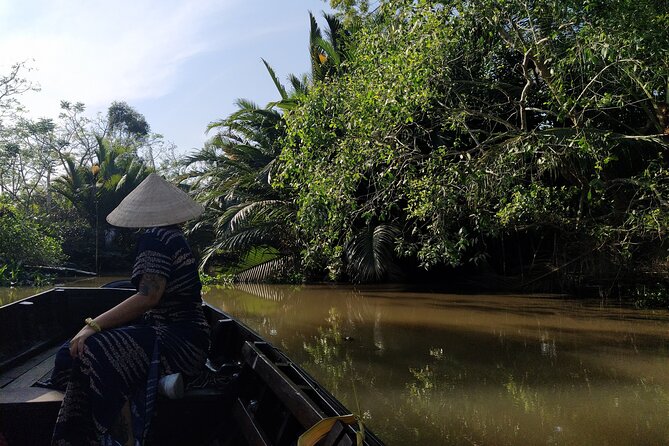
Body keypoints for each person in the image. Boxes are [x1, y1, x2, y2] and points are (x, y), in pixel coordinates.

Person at [48, 173, 210, 446]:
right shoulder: (173, 236)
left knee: (89, 350)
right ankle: (150, 384)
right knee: (69, 352)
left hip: (181, 342)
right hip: (189, 339)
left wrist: (92, 325)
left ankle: (117, 438)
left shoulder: (157, 237)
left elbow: (148, 297)